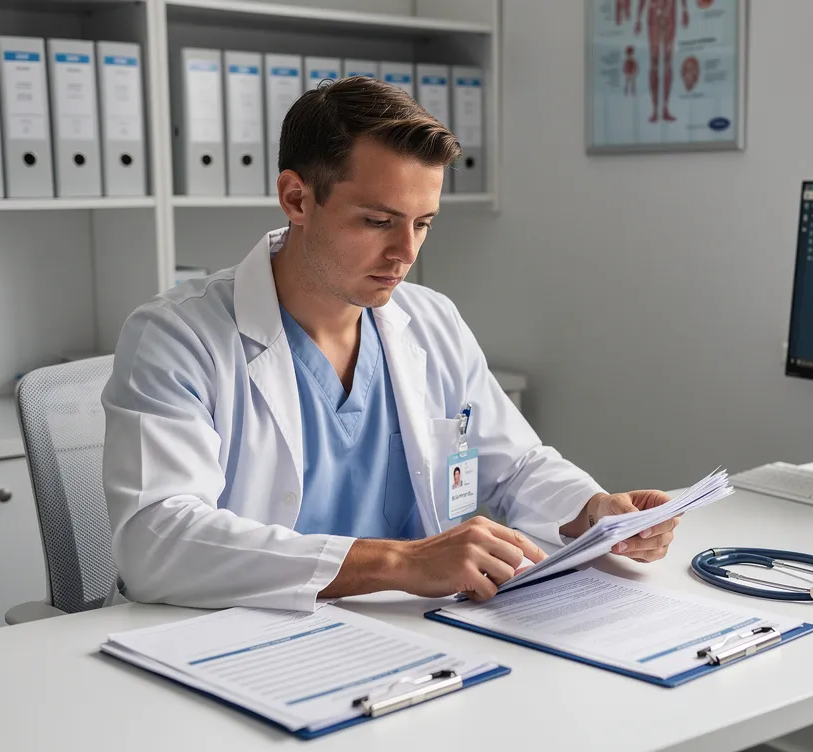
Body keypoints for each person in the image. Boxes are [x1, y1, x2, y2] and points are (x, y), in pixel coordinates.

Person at [102, 77, 680, 612]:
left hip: (412, 633)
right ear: (297, 199)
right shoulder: (177, 336)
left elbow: (514, 467)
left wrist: (593, 512)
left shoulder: (430, 321)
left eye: (423, 223)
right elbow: (157, 541)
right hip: (244, 635)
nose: (406, 253)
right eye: (379, 222)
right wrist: (400, 562)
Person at [635, 0, 689, 122]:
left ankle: (664, 108)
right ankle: (655, 109)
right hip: (654, 12)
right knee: (654, 61)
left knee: (668, 61)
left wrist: (685, 10)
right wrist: (638, 17)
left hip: (670, 11)